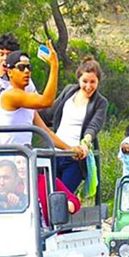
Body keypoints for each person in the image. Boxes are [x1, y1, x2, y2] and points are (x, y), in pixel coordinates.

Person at [41, 57, 109, 192]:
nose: (88, 86)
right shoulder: (69, 91)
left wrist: (85, 142)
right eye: (85, 81)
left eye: (92, 82)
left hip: (75, 157)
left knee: (63, 198)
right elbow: (49, 113)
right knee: (46, 195)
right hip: (55, 152)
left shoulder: (100, 103)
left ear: (98, 82)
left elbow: (94, 126)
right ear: (78, 79)